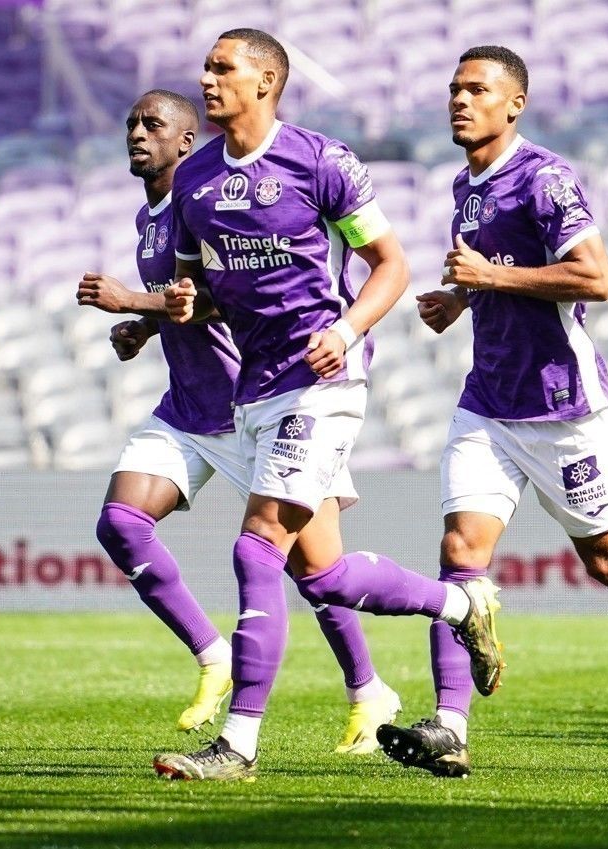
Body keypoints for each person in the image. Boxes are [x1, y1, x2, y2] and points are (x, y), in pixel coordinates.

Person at [375, 45, 608, 780]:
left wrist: (489, 275)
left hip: (562, 405)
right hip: (488, 402)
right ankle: (450, 725)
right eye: (454, 89)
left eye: (478, 89)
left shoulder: (545, 177)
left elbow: (594, 277)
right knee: (460, 552)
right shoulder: (465, 184)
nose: (460, 100)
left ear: (515, 104)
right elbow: (496, 276)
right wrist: (462, 297)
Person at [144, 30, 505, 782]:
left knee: (257, 545)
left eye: (222, 68)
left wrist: (345, 330)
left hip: (324, 380)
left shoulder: (320, 161)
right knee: (324, 575)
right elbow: (200, 293)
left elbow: (390, 265)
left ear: (266, 81)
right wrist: (182, 303)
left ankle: (238, 745)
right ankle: (461, 607)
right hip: (255, 388)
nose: (206, 80)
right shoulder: (196, 180)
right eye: (205, 67)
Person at [75, 89, 401, 755]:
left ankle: (369, 687)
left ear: (186, 140)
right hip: (187, 407)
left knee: (316, 569)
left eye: (152, 124)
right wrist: (145, 326)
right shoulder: (154, 215)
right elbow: (187, 299)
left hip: (255, 402)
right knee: (121, 522)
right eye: (131, 122)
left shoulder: (218, 198)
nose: (137, 132)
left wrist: (131, 301)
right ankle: (212, 652)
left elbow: (232, 299)